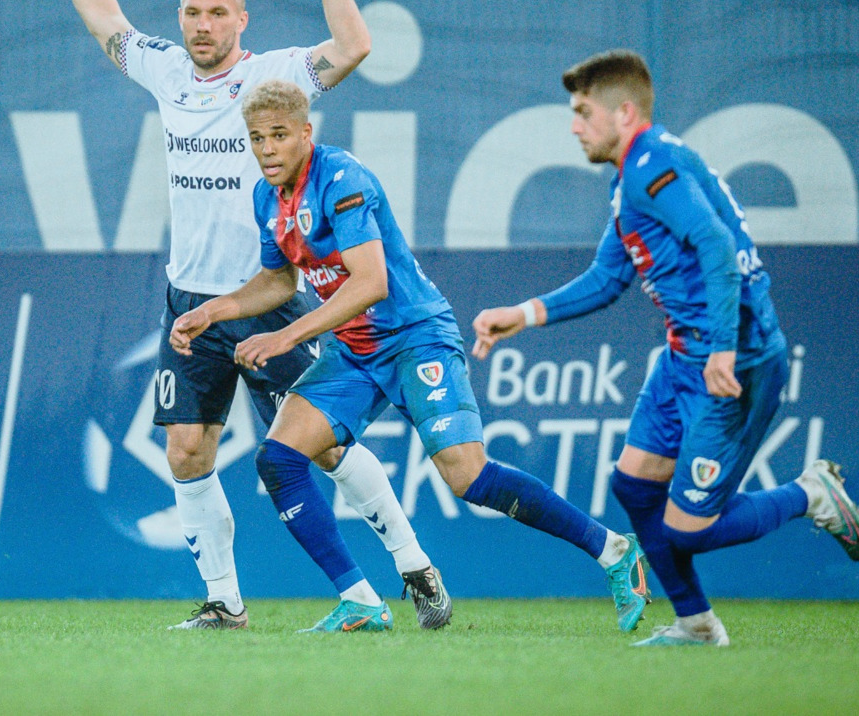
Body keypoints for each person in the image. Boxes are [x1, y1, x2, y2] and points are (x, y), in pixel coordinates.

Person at [42, 0, 449, 630]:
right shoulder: (167, 71)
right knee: (185, 452)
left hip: (270, 296)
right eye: (192, 12)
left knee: (323, 449)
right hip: (192, 299)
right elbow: (105, 21)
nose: (201, 25)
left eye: (216, 13)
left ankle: (412, 562)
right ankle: (224, 602)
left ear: (241, 21)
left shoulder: (273, 78)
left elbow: (354, 44)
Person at [170, 79, 651, 633]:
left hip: (415, 337)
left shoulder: (341, 178)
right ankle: (361, 601)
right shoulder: (267, 198)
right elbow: (277, 281)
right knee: (278, 458)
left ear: (306, 132)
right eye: (257, 139)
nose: (267, 149)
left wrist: (284, 338)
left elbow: (371, 282)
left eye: (279, 135)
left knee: (467, 476)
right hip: (355, 350)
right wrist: (214, 311)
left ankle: (613, 550)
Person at [472, 49, 859, 646]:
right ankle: (696, 625)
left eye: (583, 112)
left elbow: (716, 247)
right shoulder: (633, 177)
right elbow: (608, 279)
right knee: (633, 486)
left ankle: (811, 494)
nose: (574, 126)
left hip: (736, 362)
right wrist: (522, 315)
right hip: (685, 358)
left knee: (689, 529)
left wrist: (723, 350)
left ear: (624, 113)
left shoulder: (652, 165)